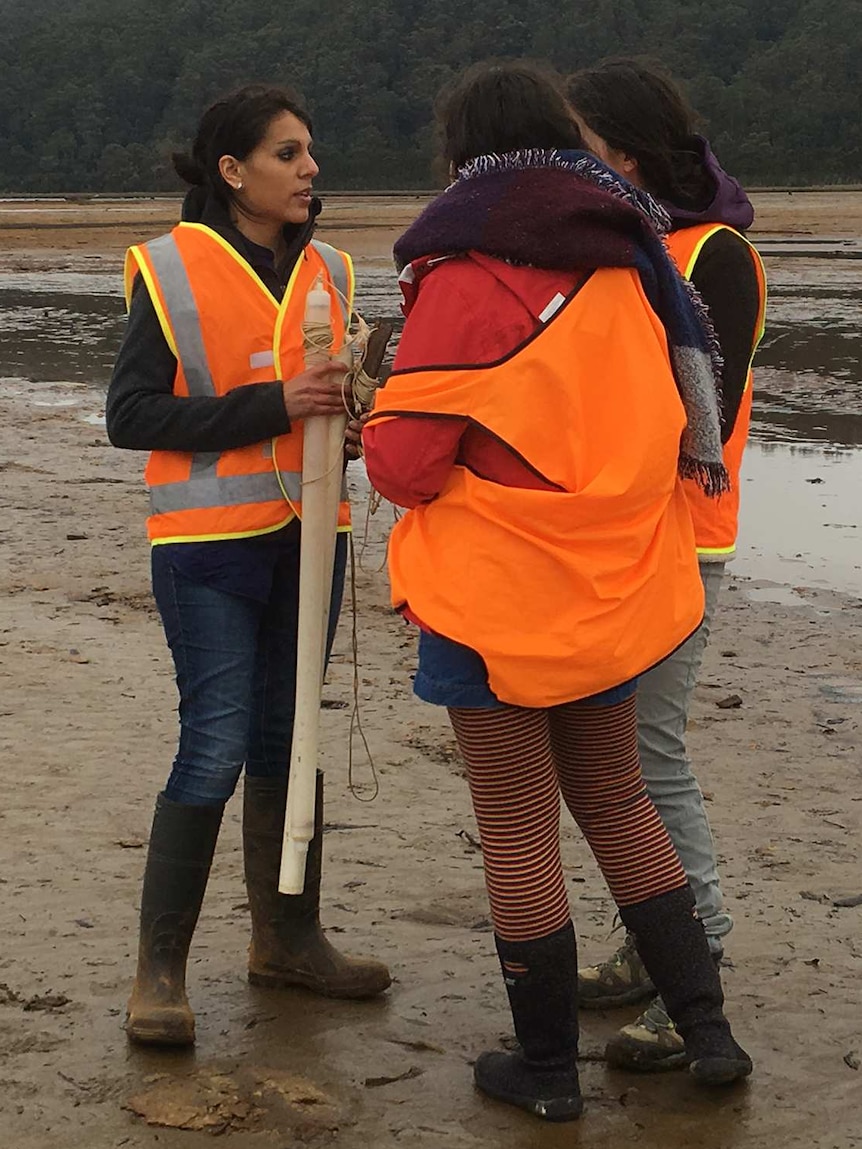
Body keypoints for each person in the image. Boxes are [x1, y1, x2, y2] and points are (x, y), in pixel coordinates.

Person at [363, 61, 752, 1123]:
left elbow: (403, 462)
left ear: (463, 161)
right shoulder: (636, 267)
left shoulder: (465, 272)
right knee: (619, 799)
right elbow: (671, 428)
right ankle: (708, 1032)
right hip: (614, 586)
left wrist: (372, 414)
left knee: (520, 831)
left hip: (495, 596)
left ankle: (545, 1074)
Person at [106, 83, 391, 1048]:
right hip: (207, 548)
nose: (311, 167)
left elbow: (345, 405)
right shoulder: (169, 268)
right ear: (233, 172)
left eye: (311, 151)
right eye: (288, 153)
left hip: (313, 535)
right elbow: (130, 416)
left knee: (291, 735)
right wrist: (279, 403)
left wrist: (355, 415)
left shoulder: (340, 272)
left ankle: (289, 939)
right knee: (216, 741)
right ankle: (160, 973)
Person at [568, 59, 766, 1072]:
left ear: (625, 150)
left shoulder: (710, 255)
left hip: (683, 546)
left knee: (646, 759)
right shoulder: (622, 249)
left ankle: (704, 952)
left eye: (579, 143)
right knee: (611, 764)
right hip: (611, 545)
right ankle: (647, 947)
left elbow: (703, 418)